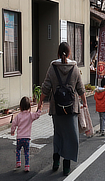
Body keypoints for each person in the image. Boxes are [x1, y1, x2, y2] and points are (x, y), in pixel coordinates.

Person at [39, 42, 88, 176]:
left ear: (58, 53)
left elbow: (46, 87)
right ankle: (66, 166)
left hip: (56, 108)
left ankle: (56, 161)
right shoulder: (75, 68)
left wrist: (40, 102)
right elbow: (80, 88)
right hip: (71, 108)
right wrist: (84, 102)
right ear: (69, 53)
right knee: (71, 136)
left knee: (59, 134)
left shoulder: (52, 67)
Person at [11, 97, 42, 172]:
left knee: (18, 150)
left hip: (19, 138)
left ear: (20, 106)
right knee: (26, 152)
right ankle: (27, 166)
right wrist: (39, 108)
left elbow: (14, 124)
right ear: (29, 106)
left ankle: (18, 162)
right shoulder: (30, 115)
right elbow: (37, 115)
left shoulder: (18, 116)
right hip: (27, 138)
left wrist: (12, 131)